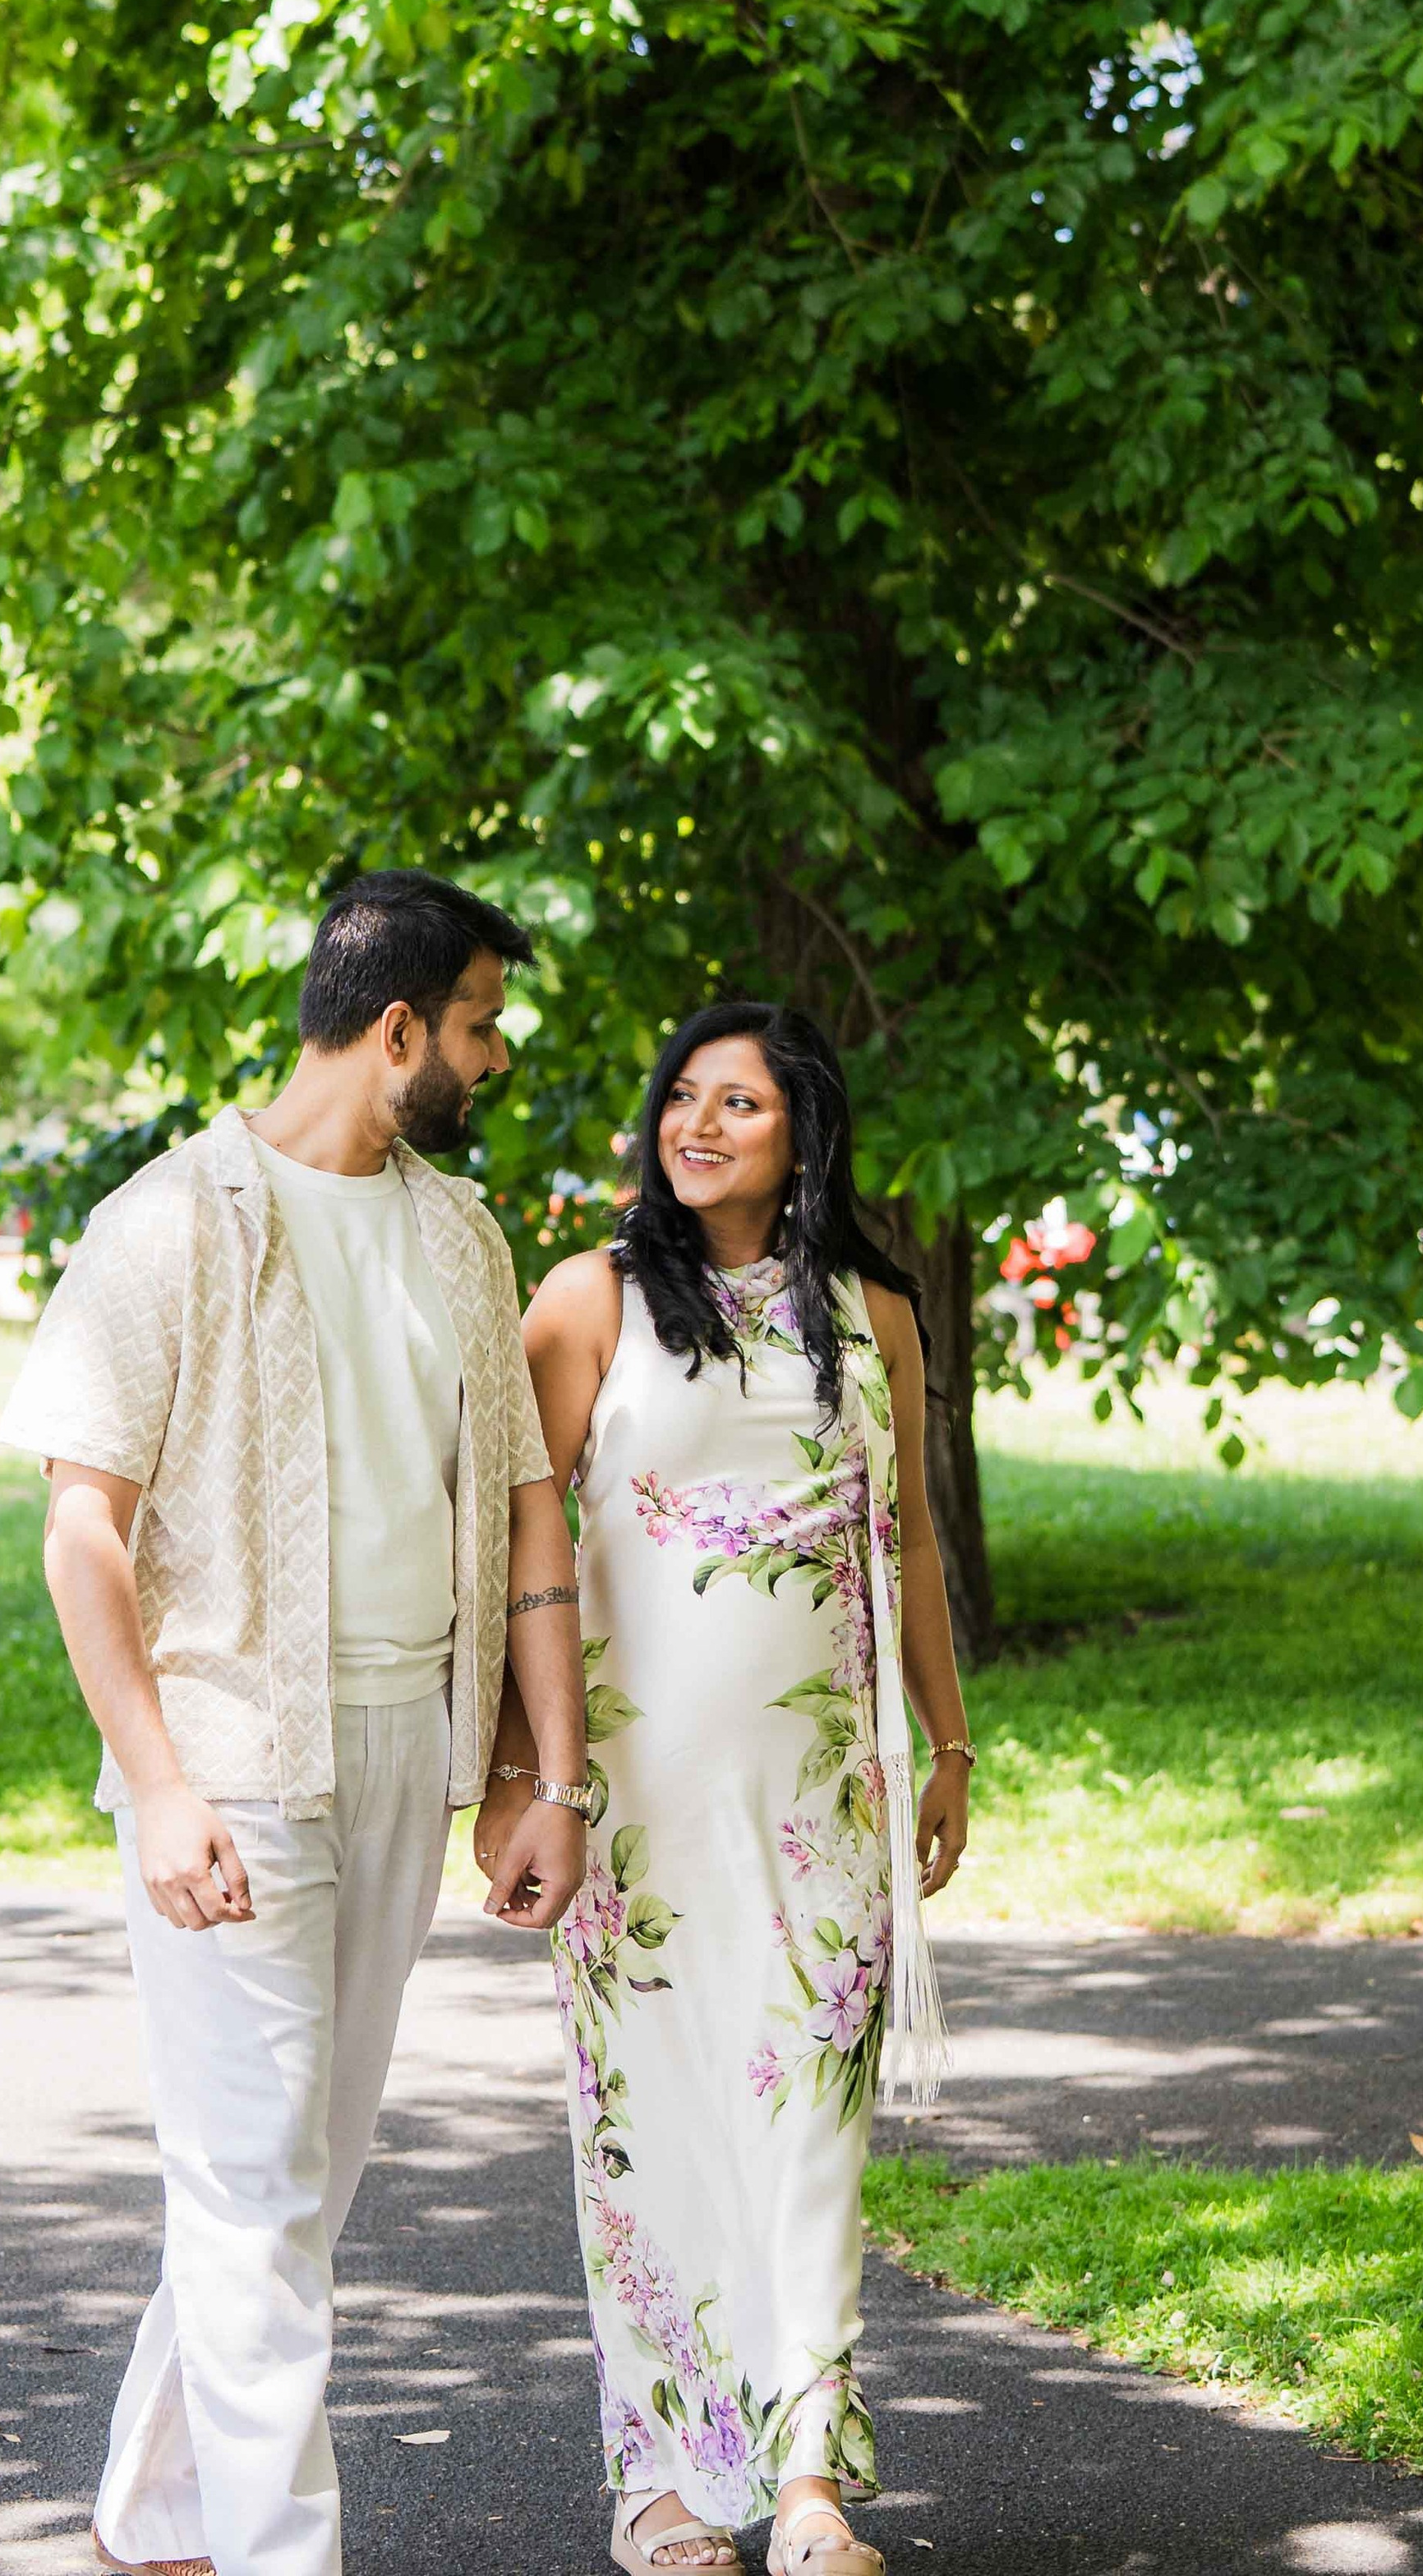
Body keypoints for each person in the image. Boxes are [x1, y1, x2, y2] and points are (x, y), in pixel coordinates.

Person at [0, 868, 593, 2576]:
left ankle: (151, 2514)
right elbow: (81, 1528)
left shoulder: (457, 1238)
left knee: (302, 2182)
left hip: (407, 1740)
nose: (492, 1057)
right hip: (234, 1764)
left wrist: (534, 1774)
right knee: (252, 2187)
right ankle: (278, 2553)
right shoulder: (167, 1224)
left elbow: (524, 1518)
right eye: (478, 1023)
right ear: (397, 1025)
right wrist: (158, 1782)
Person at [490, 1001, 974, 2576]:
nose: (699, 1125)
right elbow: (522, 1542)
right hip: (631, 1807)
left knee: (810, 2130)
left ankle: (811, 2480)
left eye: (742, 1105)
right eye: (682, 1098)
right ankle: (664, 2486)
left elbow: (905, 1547)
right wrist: (520, 1777)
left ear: (804, 1132)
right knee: (651, 2132)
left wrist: (946, 1745)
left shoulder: (871, 1312)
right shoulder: (589, 1301)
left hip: (823, 1800)